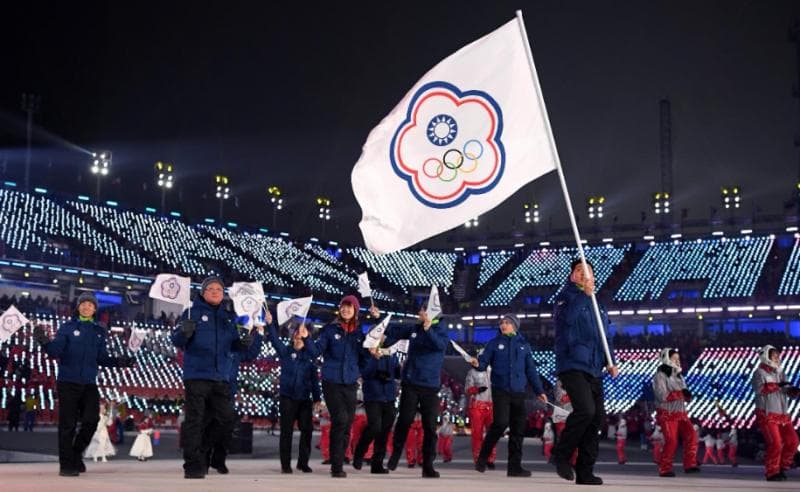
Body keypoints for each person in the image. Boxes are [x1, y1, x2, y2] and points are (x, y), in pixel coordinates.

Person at [34, 292, 134, 477]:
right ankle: (66, 465)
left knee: (91, 420)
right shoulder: (68, 327)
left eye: (90, 304)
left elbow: (102, 358)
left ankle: (75, 453)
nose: (86, 307)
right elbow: (55, 351)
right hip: (68, 382)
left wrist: (120, 361)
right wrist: (44, 341)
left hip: (89, 383)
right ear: (78, 307)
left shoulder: (99, 331)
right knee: (68, 425)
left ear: (95, 309)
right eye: (83, 304)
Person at [170, 276, 255, 479]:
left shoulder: (228, 317)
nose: (215, 291)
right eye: (211, 289)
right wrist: (184, 332)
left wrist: (245, 341)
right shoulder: (191, 313)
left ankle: (201, 453)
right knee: (195, 421)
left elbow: (236, 346)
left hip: (221, 377)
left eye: (219, 288)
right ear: (203, 292)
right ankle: (192, 465)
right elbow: (177, 340)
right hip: (197, 375)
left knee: (227, 419)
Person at [551, 259, 618, 485]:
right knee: (586, 411)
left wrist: (611, 360)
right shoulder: (565, 297)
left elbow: (605, 335)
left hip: (595, 366)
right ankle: (560, 454)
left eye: (587, 271)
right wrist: (583, 295)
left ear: (593, 277)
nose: (582, 274)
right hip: (572, 364)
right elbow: (567, 321)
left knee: (596, 418)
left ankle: (585, 470)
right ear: (572, 276)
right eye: (578, 270)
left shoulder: (598, 304)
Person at [305, 295, 377, 478]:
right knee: (340, 420)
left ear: (355, 311)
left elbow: (364, 360)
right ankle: (336, 465)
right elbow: (315, 352)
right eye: (343, 307)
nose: (346, 310)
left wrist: (369, 355)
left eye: (350, 307)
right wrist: (306, 339)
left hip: (350, 383)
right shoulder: (330, 330)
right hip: (332, 382)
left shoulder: (359, 334)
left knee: (346, 424)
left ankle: (341, 459)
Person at [471, 314, 547, 477]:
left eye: (507, 323)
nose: (503, 325)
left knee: (518, 429)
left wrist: (539, 391)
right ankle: (482, 459)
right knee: (500, 423)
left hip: (518, 392)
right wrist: (478, 364)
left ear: (515, 326)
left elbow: (531, 370)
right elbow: (483, 363)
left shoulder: (524, 345)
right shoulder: (493, 344)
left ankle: (514, 467)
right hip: (501, 391)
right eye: (501, 323)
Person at [383, 306, 449, 478]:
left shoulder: (441, 330)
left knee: (429, 427)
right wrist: (379, 319)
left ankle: (428, 465)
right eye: (419, 311)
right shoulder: (414, 328)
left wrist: (428, 329)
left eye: (423, 311)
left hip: (430, 386)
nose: (419, 314)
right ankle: (396, 454)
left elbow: (440, 345)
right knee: (404, 420)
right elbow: (394, 330)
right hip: (411, 382)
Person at [207, 312, 265, 475]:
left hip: (227, 392)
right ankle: (203, 459)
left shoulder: (237, 349)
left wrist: (259, 333)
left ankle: (219, 460)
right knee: (207, 425)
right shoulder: (214, 345)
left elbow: (252, 353)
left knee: (226, 427)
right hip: (208, 389)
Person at [266, 316, 321, 474]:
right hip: (287, 397)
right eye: (295, 334)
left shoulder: (310, 357)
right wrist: (270, 324)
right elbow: (275, 340)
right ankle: (285, 464)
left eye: (300, 335)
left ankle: (303, 463)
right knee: (286, 432)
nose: (297, 337)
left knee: (307, 431)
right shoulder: (285, 352)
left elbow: (314, 380)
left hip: (304, 399)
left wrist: (317, 398)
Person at [752, 345, 800, 481]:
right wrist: (778, 386)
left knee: (793, 441)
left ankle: (782, 467)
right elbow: (759, 389)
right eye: (774, 356)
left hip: (782, 414)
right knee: (776, 443)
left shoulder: (780, 372)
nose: (777, 358)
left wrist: (792, 391)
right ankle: (772, 472)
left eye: (778, 356)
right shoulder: (759, 373)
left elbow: (785, 388)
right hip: (767, 414)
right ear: (766, 357)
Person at [353, 346, 402, 473]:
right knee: (375, 427)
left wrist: (400, 367)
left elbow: (397, 374)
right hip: (373, 396)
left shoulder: (391, 352)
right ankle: (360, 452)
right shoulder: (366, 353)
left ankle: (377, 464)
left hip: (389, 396)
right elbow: (364, 373)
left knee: (385, 431)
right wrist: (374, 358)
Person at [653, 348, 699, 476]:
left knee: (692, 436)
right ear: (667, 359)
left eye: (679, 359)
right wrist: (680, 393)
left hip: (681, 413)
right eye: (675, 359)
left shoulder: (679, 376)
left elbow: (684, 395)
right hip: (667, 414)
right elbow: (662, 395)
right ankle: (665, 469)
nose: (678, 362)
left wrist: (688, 396)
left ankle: (690, 464)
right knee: (671, 441)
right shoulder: (660, 376)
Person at [465, 358, 496, 468]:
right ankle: (478, 459)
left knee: (492, 433)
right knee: (477, 434)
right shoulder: (472, 372)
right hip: (477, 406)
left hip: (491, 405)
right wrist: (477, 389)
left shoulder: (494, 370)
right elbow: (467, 389)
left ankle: (490, 459)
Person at [553, 378, 577, 466]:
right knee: (562, 437)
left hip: (573, 412)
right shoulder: (559, 383)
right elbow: (559, 398)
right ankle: (562, 459)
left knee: (575, 436)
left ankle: (574, 460)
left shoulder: (580, 381)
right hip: (561, 413)